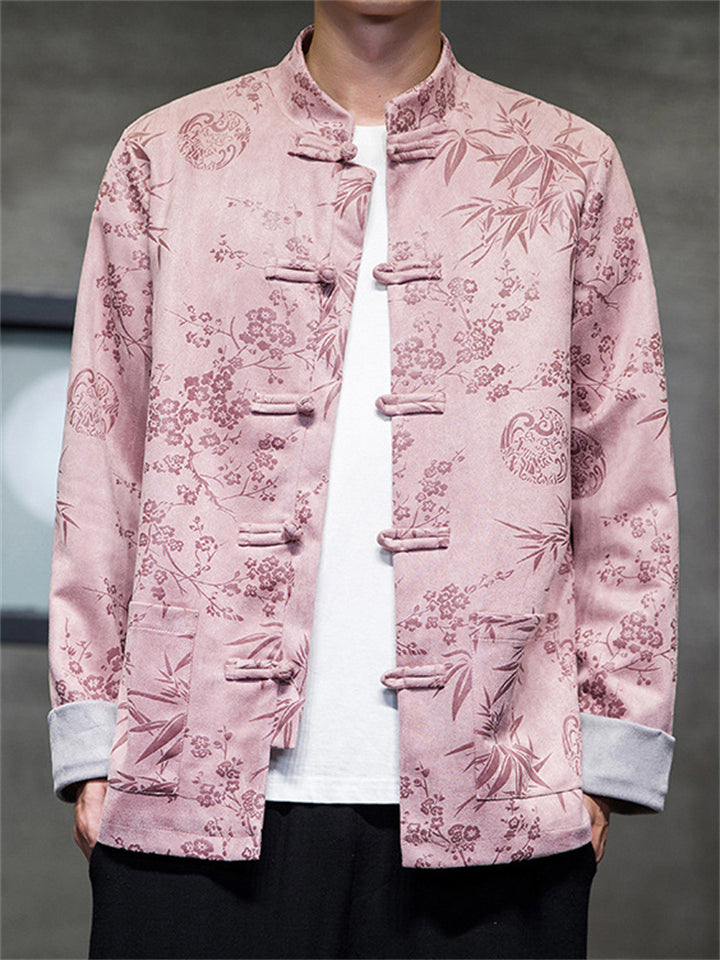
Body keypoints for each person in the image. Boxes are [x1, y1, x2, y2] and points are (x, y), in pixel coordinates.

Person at [47, 2, 678, 958]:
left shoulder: (564, 165)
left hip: (499, 794)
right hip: (188, 778)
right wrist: (93, 732)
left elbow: (623, 468)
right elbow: (105, 451)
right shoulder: (167, 154)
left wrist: (608, 747)